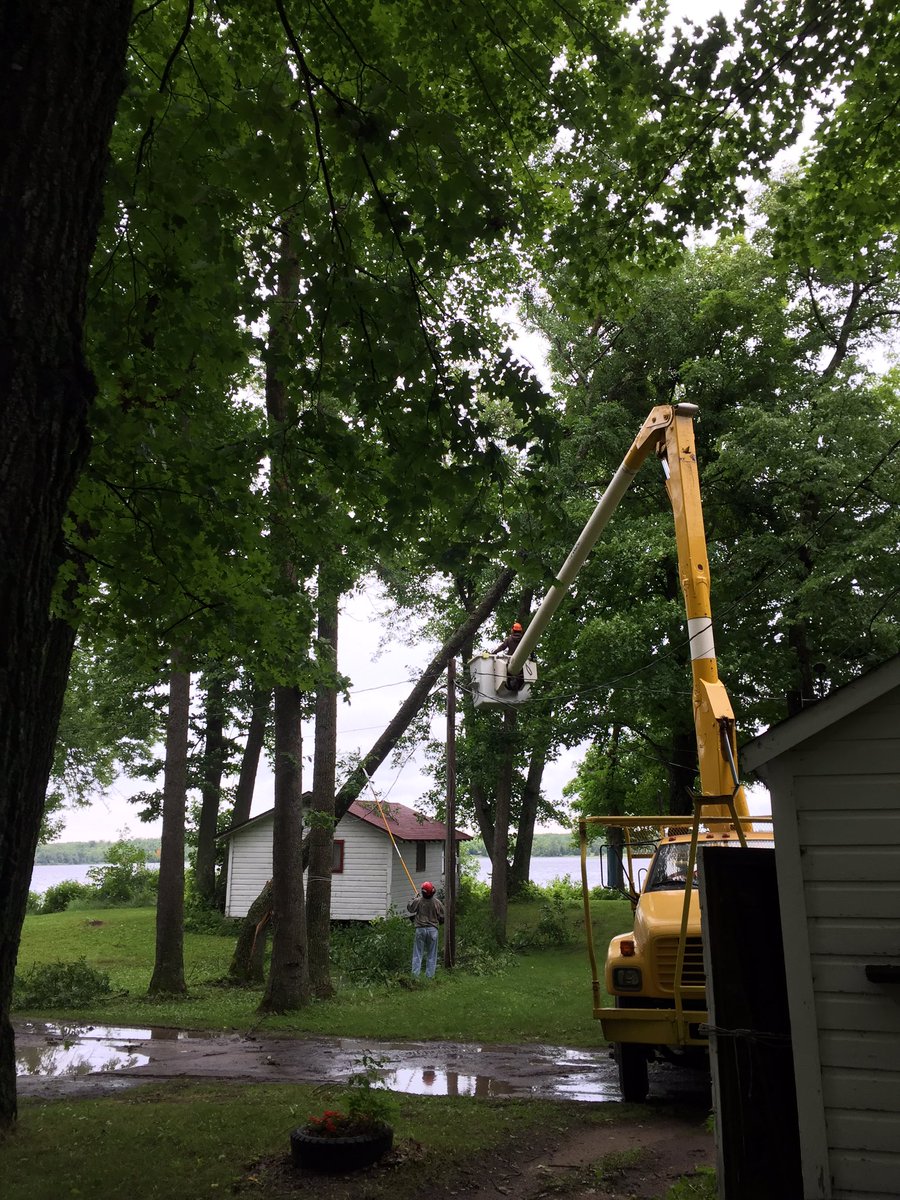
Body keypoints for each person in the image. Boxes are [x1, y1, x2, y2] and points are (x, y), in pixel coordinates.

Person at [407, 881, 444, 978]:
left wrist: (414, 898)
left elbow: (410, 909)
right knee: (432, 955)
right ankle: (429, 977)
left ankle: (415, 976)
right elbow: (442, 917)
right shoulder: (437, 903)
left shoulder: (418, 901)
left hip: (420, 929)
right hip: (433, 930)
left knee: (417, 954)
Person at [493, 622, 526, 692]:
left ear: (513, 630)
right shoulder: (524, 639)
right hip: (522, 662)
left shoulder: (509, 639)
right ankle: (517, 686)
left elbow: (502, 647)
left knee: (508, 674)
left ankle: (511, 685)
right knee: (521, 675)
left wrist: (494, 653)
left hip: (511, 661)